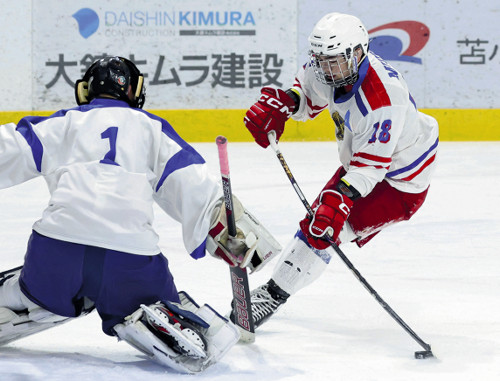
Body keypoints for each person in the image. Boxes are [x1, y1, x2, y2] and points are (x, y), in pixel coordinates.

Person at [0, 56, 281, 373]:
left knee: (32, 290)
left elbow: (9, 148)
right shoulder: (152, 128)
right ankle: (164, 318)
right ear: (134, 90)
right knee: (175, 315)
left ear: (86, 90)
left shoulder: (64, 122)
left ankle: (22, 300)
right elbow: (191, 183)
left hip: (54, 254)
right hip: (130, 261)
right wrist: (226, 228)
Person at [239, 13, 439, 329]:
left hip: (399, 181)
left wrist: (341, 200)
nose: (327, 68)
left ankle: (273, 296)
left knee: (326, 229)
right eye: (322, 60)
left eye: (336, 60)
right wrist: (285, 105)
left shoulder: (382, 99)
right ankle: (272, 292)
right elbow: (307, 95)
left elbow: (371, 169)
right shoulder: (333, 68)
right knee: (315, 222)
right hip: (364, 162)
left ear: (359, 53)